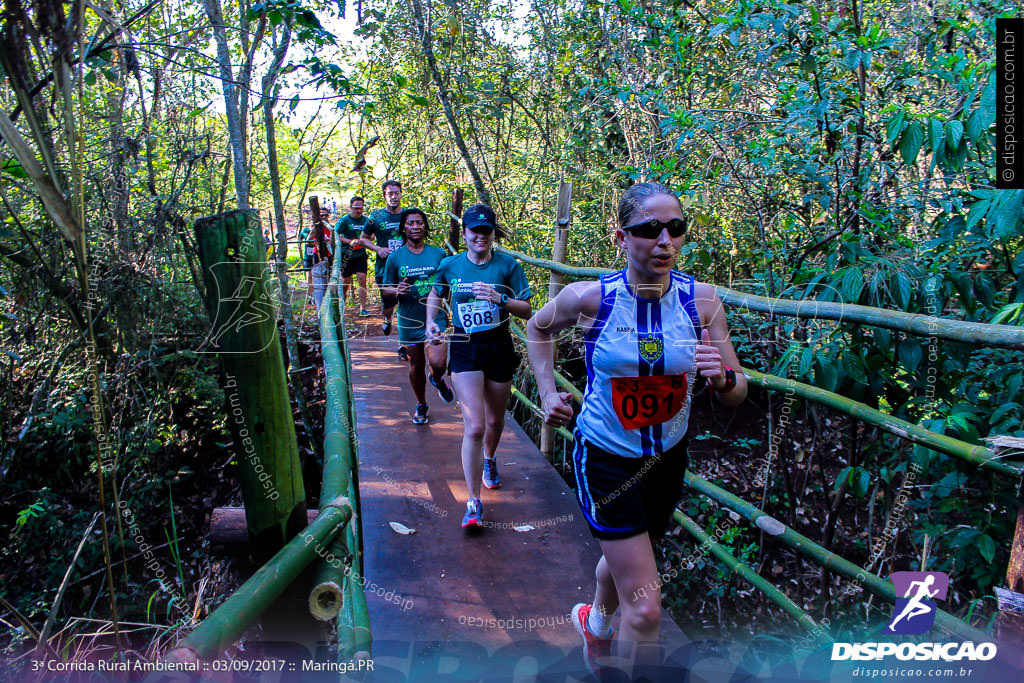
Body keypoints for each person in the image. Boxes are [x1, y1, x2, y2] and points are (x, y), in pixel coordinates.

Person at [525, 182, 747, 678]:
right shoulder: (589, 300)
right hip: (605, 456)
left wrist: (724, 378)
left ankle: (596, 623)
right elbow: (537, 329)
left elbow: (737, 391)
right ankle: (616, 637)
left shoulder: (703, 302)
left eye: (676, 229)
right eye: (650, 229)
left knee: (629, 553)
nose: (664, 240)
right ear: (621, 237)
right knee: (645, 609)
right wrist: (546, 392)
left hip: (667, 458)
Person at [426, 204, 533, 529]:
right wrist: (432, 320)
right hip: (465, 345)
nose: (479, 237)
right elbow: (434, 292)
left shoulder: (507, 266)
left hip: (498, 345)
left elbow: (528, 310)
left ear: (492, 234)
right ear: (467, 233)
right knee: (474, 425)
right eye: (474, 231)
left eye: (486, 231)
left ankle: (489, 459)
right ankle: (473, 502)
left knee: (495, 420)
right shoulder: (450, 264)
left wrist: (500, 299)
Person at [381, 208, 455, 424]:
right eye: (411, 223)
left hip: (435, 316)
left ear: (425, 226)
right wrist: (397, 290)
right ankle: (421, 404)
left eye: (419, 222)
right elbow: (385, 288)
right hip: (408, 318)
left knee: (439, 362)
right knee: (416, 364)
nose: (415, 226)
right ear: (403, 227)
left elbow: (448, 281)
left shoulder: (439, 254)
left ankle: (437, 378)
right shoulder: (395, 258)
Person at [361, 180, 405, 340]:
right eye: (390, 194)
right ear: (385, 196)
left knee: (405, 303)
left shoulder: (408, 215)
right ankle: (387, 319)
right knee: (388, 303)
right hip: (384, 267)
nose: (393, 197)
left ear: (401, 194)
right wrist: (378, 249)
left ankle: (403, 342)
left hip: (406, 266)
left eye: (396, 193)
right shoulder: (375, 216)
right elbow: (363, 239)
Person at [335, 196, 372, 316]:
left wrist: (364, 240)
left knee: (362, 279)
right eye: (356, 207)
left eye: (361, 208)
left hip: (361, 254)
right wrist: (349, 241)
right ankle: (342, 307)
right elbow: (336, 235)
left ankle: (363, 308)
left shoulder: (366, 220)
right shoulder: (344, 221)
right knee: (345, 281)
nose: (359, 210)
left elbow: (372, 235)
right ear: (351, 207)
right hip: (347, 254)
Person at [309, 207, 334, 311]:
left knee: (331, 275)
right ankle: (317, 298)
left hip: (330, 255)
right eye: (321, 215)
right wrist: (317, 244)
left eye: (325, 215)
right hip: (318, 255)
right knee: (319, 277)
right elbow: (308, 241)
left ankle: (331, 297)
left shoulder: (331, 227)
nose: (324, 217)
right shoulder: (315, 228)